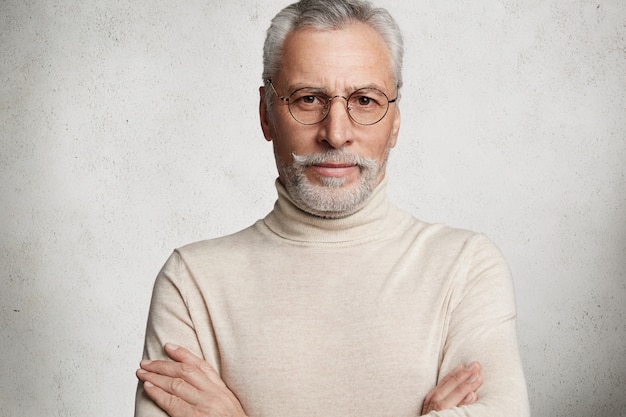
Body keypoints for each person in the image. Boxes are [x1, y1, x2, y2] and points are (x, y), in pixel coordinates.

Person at [135, 0, 530, 416]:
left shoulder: (465, 267)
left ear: (395, 121)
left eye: (364, 100)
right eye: (308, 99)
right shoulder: (192, 282)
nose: (336, 133)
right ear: (266, 114)